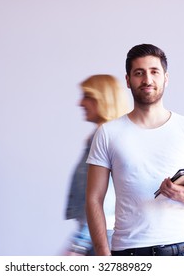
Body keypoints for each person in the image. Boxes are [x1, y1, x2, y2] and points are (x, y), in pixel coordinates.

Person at [86, 43, 184, 256]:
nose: (147, 80)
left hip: (183, 253)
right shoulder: (108, 133)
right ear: (128, 80)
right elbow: (93, 198)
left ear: (166, 78)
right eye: (139, 73)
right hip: (129, 254)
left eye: (154, 72)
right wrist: (102, 254)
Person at [64, 74, 131, 255]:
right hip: (96, 237)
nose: (80, 103)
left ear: (104, 100)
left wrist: (80, 242)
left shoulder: (106, 139)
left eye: (87, 96)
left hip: (99, 238)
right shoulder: (100, 136)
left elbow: (106, 195)